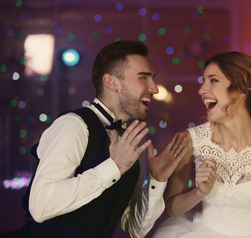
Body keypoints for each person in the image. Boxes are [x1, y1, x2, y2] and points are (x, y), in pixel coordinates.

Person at [16, 40, 188, 238]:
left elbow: (135, 229)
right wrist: (114, 167)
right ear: (111, 82)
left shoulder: (127, 143)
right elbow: (40, 207)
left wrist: (157, 181)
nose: (155, 88)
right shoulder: (73, 126)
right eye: (144, 78)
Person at [153, 52, 251, 238]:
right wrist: (199, 192)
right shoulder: (191, 140)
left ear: (241, 90)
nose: (201, 90)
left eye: (213, 80)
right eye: (203, 80)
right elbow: (172, 209)